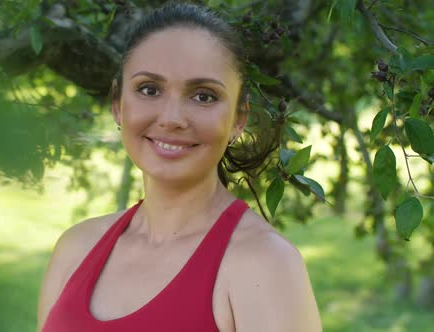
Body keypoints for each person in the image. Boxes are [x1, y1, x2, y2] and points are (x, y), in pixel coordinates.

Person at [37, 2, 322, 331]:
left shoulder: (264, 264)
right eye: (149, 90)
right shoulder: (76, 249)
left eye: (203, 96)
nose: (171, 118)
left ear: (238, 118)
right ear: (118, 104)